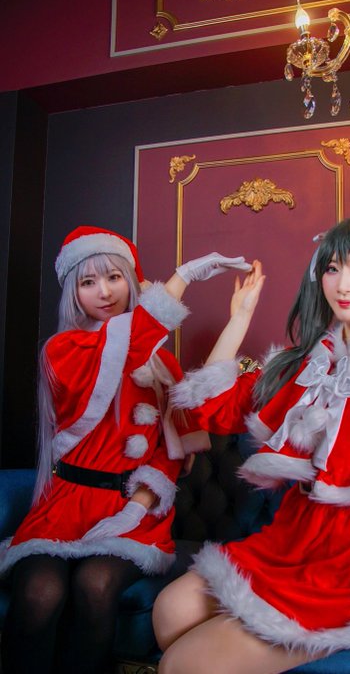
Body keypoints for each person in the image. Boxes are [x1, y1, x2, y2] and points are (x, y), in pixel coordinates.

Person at [153, 214, 350, 674]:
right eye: (332, 268)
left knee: (181, 664)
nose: (342, 284)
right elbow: (209, 409)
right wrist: (240, 317)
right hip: (290, 538)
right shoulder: (309, 363)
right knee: (169, 611)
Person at [0, 225, 251, 674]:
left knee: (96, 584)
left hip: (135, 512)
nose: (104, 292)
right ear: (73, 294)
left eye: (114, 277)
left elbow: (177, 445)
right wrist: (182, 277)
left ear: (132, 282)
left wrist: (141, 502)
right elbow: (124, 348)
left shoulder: (162, 364)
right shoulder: (65, 350)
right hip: (64, 507)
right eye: (88, 281)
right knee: (39, 591)